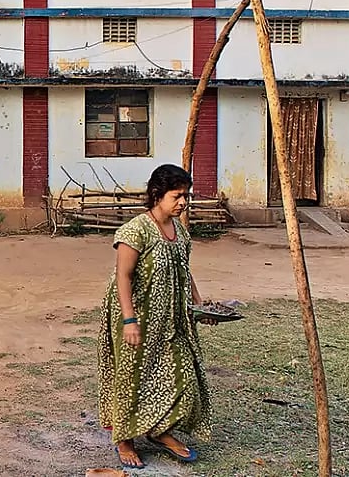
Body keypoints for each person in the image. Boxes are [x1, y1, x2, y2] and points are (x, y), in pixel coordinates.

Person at [97, 164, 214, 469]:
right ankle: (125, 439)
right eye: (177, 196)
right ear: (157, 195)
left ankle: (159, 430)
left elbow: (184, 272)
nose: (183, 202)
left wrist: (199, 306)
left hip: (170, 318)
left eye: (186, 195)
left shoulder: (180, 231)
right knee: (132, 376)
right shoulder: (135, 231)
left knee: (181, 373)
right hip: (136, 315)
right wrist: (129, 320)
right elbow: (123, 276)